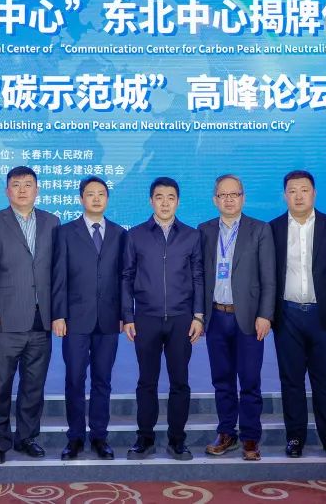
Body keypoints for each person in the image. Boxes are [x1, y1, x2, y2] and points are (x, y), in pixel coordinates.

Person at [0, 166, 60, 465]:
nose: (22, 190)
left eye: (28, 184)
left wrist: (59, 312)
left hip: (42, 317)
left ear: (37, 190)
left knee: (34, 384)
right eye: (16, 185)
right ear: (7, 190)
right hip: (6, 317)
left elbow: (58, 272)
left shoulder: (52, 222)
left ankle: (27, 438)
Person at [269, 170, 326, 460]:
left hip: (322, 315)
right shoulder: (273, 228)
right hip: (287, 314)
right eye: (292, 190)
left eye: (304, 190)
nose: (299, 196)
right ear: (284, 195)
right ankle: (295, 438)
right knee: (291, 380)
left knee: (323, 379)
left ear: (314, 193)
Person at [122, 177, 205, 461]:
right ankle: (144, 439)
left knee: (180, 381)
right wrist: (128, 316)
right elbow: (126, 277)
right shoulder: (135, 235)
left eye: (171, 197)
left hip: (182, 319)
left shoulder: (192, 236)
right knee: (147, 381)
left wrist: (198, 316)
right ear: (151, 201)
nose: (165, 202)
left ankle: (177, 441)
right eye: (159, 197)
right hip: (146, 318)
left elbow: (198, 277)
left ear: (178, 201)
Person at [198, 174, 275, 461]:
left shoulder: (260, 229)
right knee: (222, 380)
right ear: (214, 199)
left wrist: (265, 314)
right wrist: (199, 315)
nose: (229, 199)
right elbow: (198, 277)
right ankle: (226, 433)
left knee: (250, 380)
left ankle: (251, 438)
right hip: (216, 316)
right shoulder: (204, 230)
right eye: (223, 195)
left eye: (234, 194)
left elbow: (269, 277)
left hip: (249, 318)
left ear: (243, 197)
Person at [52, 176, 125, 461]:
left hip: (108, 319)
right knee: (74, 379)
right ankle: (75, 437)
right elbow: (59, 277)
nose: (96, 198)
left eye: (101, 194)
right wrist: (59, 314)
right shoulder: (66, 232)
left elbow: (124, 278)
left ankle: (99, 436)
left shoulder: (120, 233)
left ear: (107, 199)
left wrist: (124, 314)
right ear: (81, 199)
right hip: (75, 319)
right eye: (90, 194)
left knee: (102, 380)